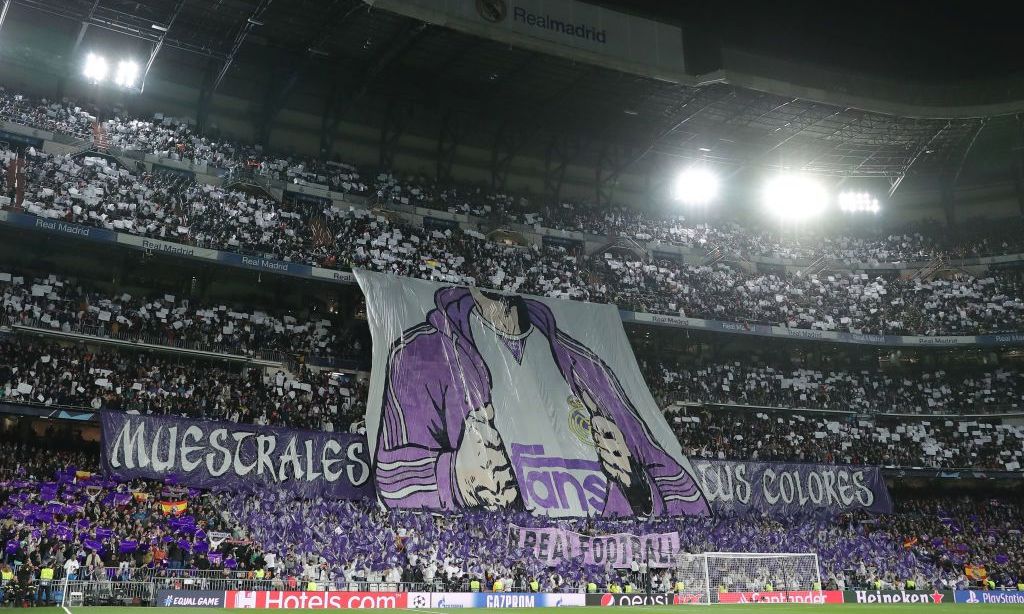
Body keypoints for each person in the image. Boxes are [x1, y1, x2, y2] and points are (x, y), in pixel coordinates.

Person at [373, 285, 709, 516]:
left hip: (592, 544)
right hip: (500, 540)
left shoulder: (584, 366)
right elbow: (388, 476)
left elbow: (687, 496)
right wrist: (457, 476)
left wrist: (637, 486)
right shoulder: (421, 352)